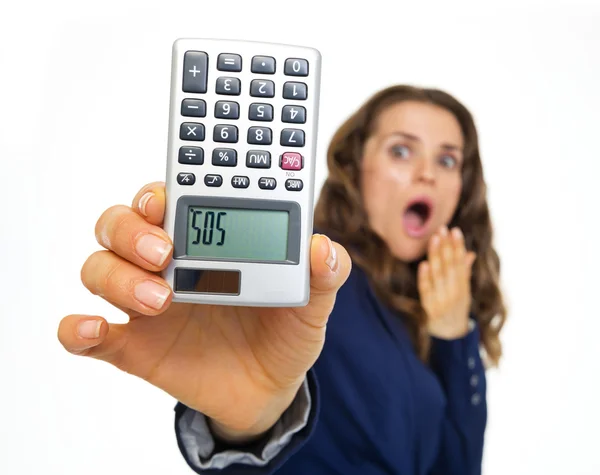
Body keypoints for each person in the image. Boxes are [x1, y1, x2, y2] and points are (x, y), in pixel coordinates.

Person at [57, 84, 507, 474]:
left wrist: (452, 336)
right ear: (355, 167)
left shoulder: (438, 321)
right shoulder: (307, 281)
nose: (427, 172)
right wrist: (242, 428)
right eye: (401, 151)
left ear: (462, 188)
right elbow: (260, 408)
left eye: (448, 160)